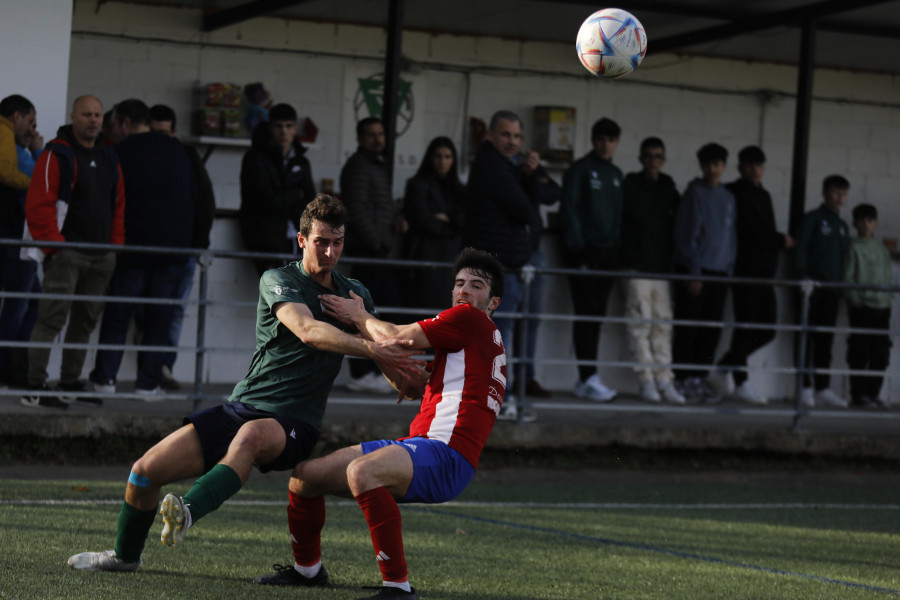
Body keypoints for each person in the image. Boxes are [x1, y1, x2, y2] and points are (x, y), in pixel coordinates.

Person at [66, 194, 422, 573]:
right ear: (302, 240)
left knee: (252, 436)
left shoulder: (355, 294)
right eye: (321, 241)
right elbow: (307, 330)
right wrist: (373, 348)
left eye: (338, 242)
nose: (331, 251)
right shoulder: (279, 279)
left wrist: (407, 374)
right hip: (242, 406)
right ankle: (125, 557)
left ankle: (187, 512)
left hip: (295, 422)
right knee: (143, 472)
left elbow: (390, 360)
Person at [252, 247, 506, 600]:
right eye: (459, 283)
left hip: (447, 455)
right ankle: (307, 571)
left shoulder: (471, 321)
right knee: (304, 478)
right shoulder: (471, 341)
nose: (464, 290)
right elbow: (416, 383)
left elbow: (394, 337)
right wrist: (398, 368)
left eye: (476, 286)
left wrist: (359, 315)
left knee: (361, 473)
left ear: (493, 303)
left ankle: (398, 587)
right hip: (423, 447)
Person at [20, 95, 125, 410]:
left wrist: (115, 248)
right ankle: (34, 386)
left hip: (101, 255)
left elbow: (118, 204)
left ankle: (68, 383)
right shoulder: (56, 153)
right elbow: (39, 203)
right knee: (51, 318)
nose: (93, 120)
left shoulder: (109, 155)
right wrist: (55, 246)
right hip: (66, 253)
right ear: (73, 117)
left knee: (85, 322)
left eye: (97, 115)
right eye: (87, 114)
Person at [87, 99, 195, 398]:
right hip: (174, 250)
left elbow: (106, 200)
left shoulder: (120, 152)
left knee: (119, 313)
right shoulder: (179, 151)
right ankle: (147, 385)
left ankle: (104, 380)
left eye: (112, 126)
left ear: (123, 122)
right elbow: (196, 199)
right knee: (159, 318)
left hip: (132, 248)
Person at [464, 110, 557, 421]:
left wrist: (533, 173)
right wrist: (528, 182)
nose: (512, 142)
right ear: (491, 135)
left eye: (517, 136)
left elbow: (551, 193)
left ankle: (500, 399)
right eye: (506, 135)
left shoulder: (510, 167)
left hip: (507, 265)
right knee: (498, 336)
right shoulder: (492, 165)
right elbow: (524, 209)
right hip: (498, 267)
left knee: (504, 333)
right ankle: (495, 402)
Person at [706, 146, 794, 405]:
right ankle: (741, 381)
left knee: (767, 328)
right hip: (744, 270)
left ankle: (724, 367)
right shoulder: (735, 193)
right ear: (741, 167)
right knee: (745, 326)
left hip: (764, 272)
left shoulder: (763, 194)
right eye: (750, 164)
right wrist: (780, 240)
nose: (755, 169)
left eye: (759, 164)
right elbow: (750, 231)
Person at [149, 103, 216, 390]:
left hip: (183, 248)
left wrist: (198, 245)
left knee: (174, 309)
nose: (160, 139)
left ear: (174, 132)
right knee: (147, 309)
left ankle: (162, 367)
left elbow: (205, 200)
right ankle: (153, 368)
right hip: (151, 247)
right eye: (155, 133)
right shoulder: (145, 155)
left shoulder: (186, 157)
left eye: (165, 133)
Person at [559, 117, 623, 403]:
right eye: (601, 139)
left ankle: (589, 377)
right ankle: (586, 377)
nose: (605, 145)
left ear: (616, 143)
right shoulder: (580, 170)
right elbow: (569, 211)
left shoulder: (616, 174)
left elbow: (618, 216)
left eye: (611, 140)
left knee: (596, 315)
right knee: (585, 314)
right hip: (584, 256)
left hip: (608, 257)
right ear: (593, 140)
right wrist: (579, 250)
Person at [340, 117, 404, 395]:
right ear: (360, 137)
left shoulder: (374, 166)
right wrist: (377, 243)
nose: (377, 139)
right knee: (363, 312)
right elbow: (356, 210)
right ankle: (360, 372)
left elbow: (376, 208)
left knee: (378, 309)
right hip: (369, 252)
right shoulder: (358, 167)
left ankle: (371, 370)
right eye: (371, 135)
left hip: (378, 251)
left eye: (381, 134)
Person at [619, 137, 684, 404]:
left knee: (662, 326)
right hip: (636, 267)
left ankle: (665, 380)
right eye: (648, 156)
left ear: (664, 159)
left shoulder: (669, 189)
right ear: (641, 158)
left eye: (658, 156)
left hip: (662, 269)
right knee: (640, 324)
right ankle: (646, 382)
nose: (653, 161)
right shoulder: (630, 185)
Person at [671, 143, 737, 402]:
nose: (713, 168)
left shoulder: (728, 198)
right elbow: (686, 237)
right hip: (697, 273)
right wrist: (694, 271)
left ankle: (699, 376)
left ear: (723, 166)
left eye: (718, 163)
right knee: (688, 328)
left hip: (719, 274)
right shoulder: (694, 194)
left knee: (711, 330)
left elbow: (730, 236)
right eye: (708, 163)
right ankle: (682, 378)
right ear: (701, 165)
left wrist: (729, 269)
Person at [793, 175, 851, 408]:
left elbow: (844, 260)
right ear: (825, 192)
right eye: (836, 192)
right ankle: (804, 387)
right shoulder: (812, 219)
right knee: (805, 338)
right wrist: (802, 277)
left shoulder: (843, 226)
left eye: (843, 193)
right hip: (811, 290)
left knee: (825, 341)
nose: (839, 197)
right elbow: (801, 251)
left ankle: (822, 388)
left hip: (832, 291)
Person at [239, 102, 315, 276]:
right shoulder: (255, 158)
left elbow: (311, 202)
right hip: (265, 239)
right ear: (270, 128)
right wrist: (296, 194)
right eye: (278, 126)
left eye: (288, 126)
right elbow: (266, 200)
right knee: (277, 295)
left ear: (295, 129)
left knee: (296, 295)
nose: (284, 132)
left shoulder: (301, 161)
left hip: (296, 239)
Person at [0, 94, 41, 387]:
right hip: (15, 236)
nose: (33, 130)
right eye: (30, 122)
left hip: (14, 236)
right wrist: (38, 152)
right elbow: (38, 179)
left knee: (28, 301)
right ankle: (9, 369)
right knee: (20, 303)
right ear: (17, 118)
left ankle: (14, 367)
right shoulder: (8, 139)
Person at [401, 136, 466, 311]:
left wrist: (446, 219)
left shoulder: (460, 189)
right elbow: (422, 220)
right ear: (430, 157)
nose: (442, 162)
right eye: (438, 156)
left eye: (447, 156)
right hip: (425, 254)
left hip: (452, 256)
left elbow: (465, 220)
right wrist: (451, 222)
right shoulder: (417, 185)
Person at [843, 203, 892, 409]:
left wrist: (888, 299)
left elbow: (888, 275)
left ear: (875, 223)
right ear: (855, 223)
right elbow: (847, 277)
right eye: (862, 220)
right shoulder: (852, 246)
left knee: (881, 352)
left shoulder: (881, 248)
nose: (866, 224)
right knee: (859, 351)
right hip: (863, 306)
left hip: (882, 306)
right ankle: (859, 395)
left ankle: (873, 393)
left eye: (870, 220)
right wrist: (856, 301)